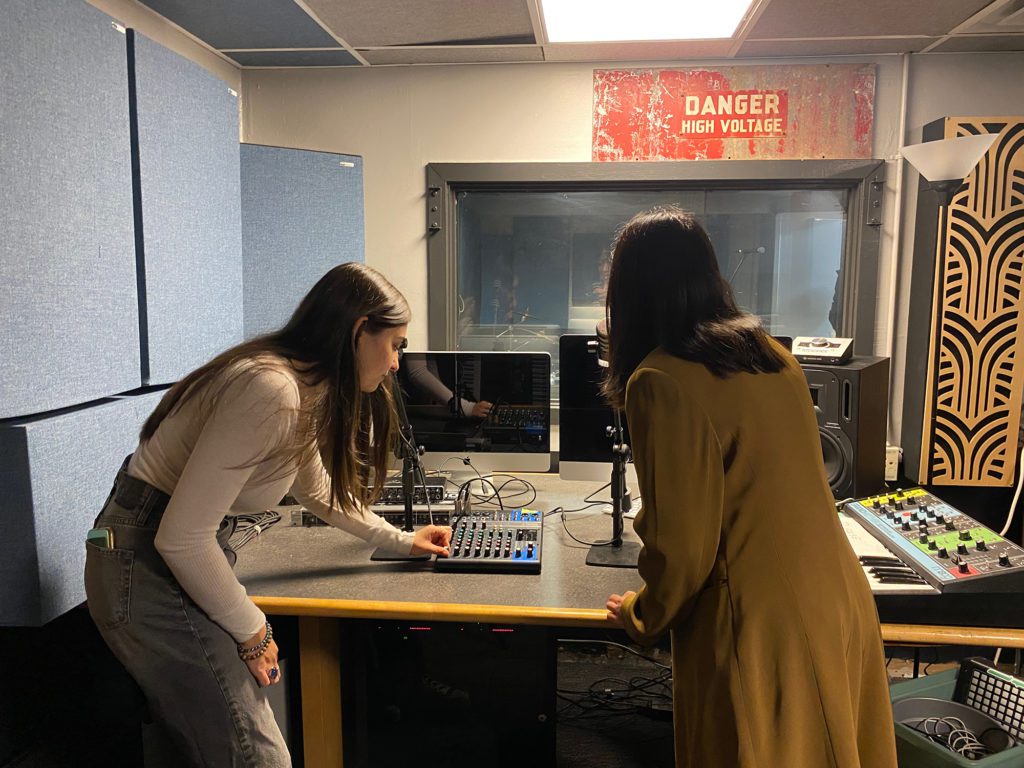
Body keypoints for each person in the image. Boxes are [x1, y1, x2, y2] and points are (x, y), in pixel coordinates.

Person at [84, 263, 452, 767]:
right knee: (256, 756)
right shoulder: (270, 388)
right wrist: (255, 632)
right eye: (395, 344)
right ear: (358, 330)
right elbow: (183, 539)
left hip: (162, 555)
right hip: (142, 568)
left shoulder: (303, 386)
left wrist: (401, 540)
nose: (395, 364)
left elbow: (318, 491)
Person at [602, 208, 897, 768]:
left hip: (759, 624)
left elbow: (683, 546)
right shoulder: (772, 357)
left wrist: (643, 615)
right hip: (838, 600)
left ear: (629, 295)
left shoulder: (660, 379)